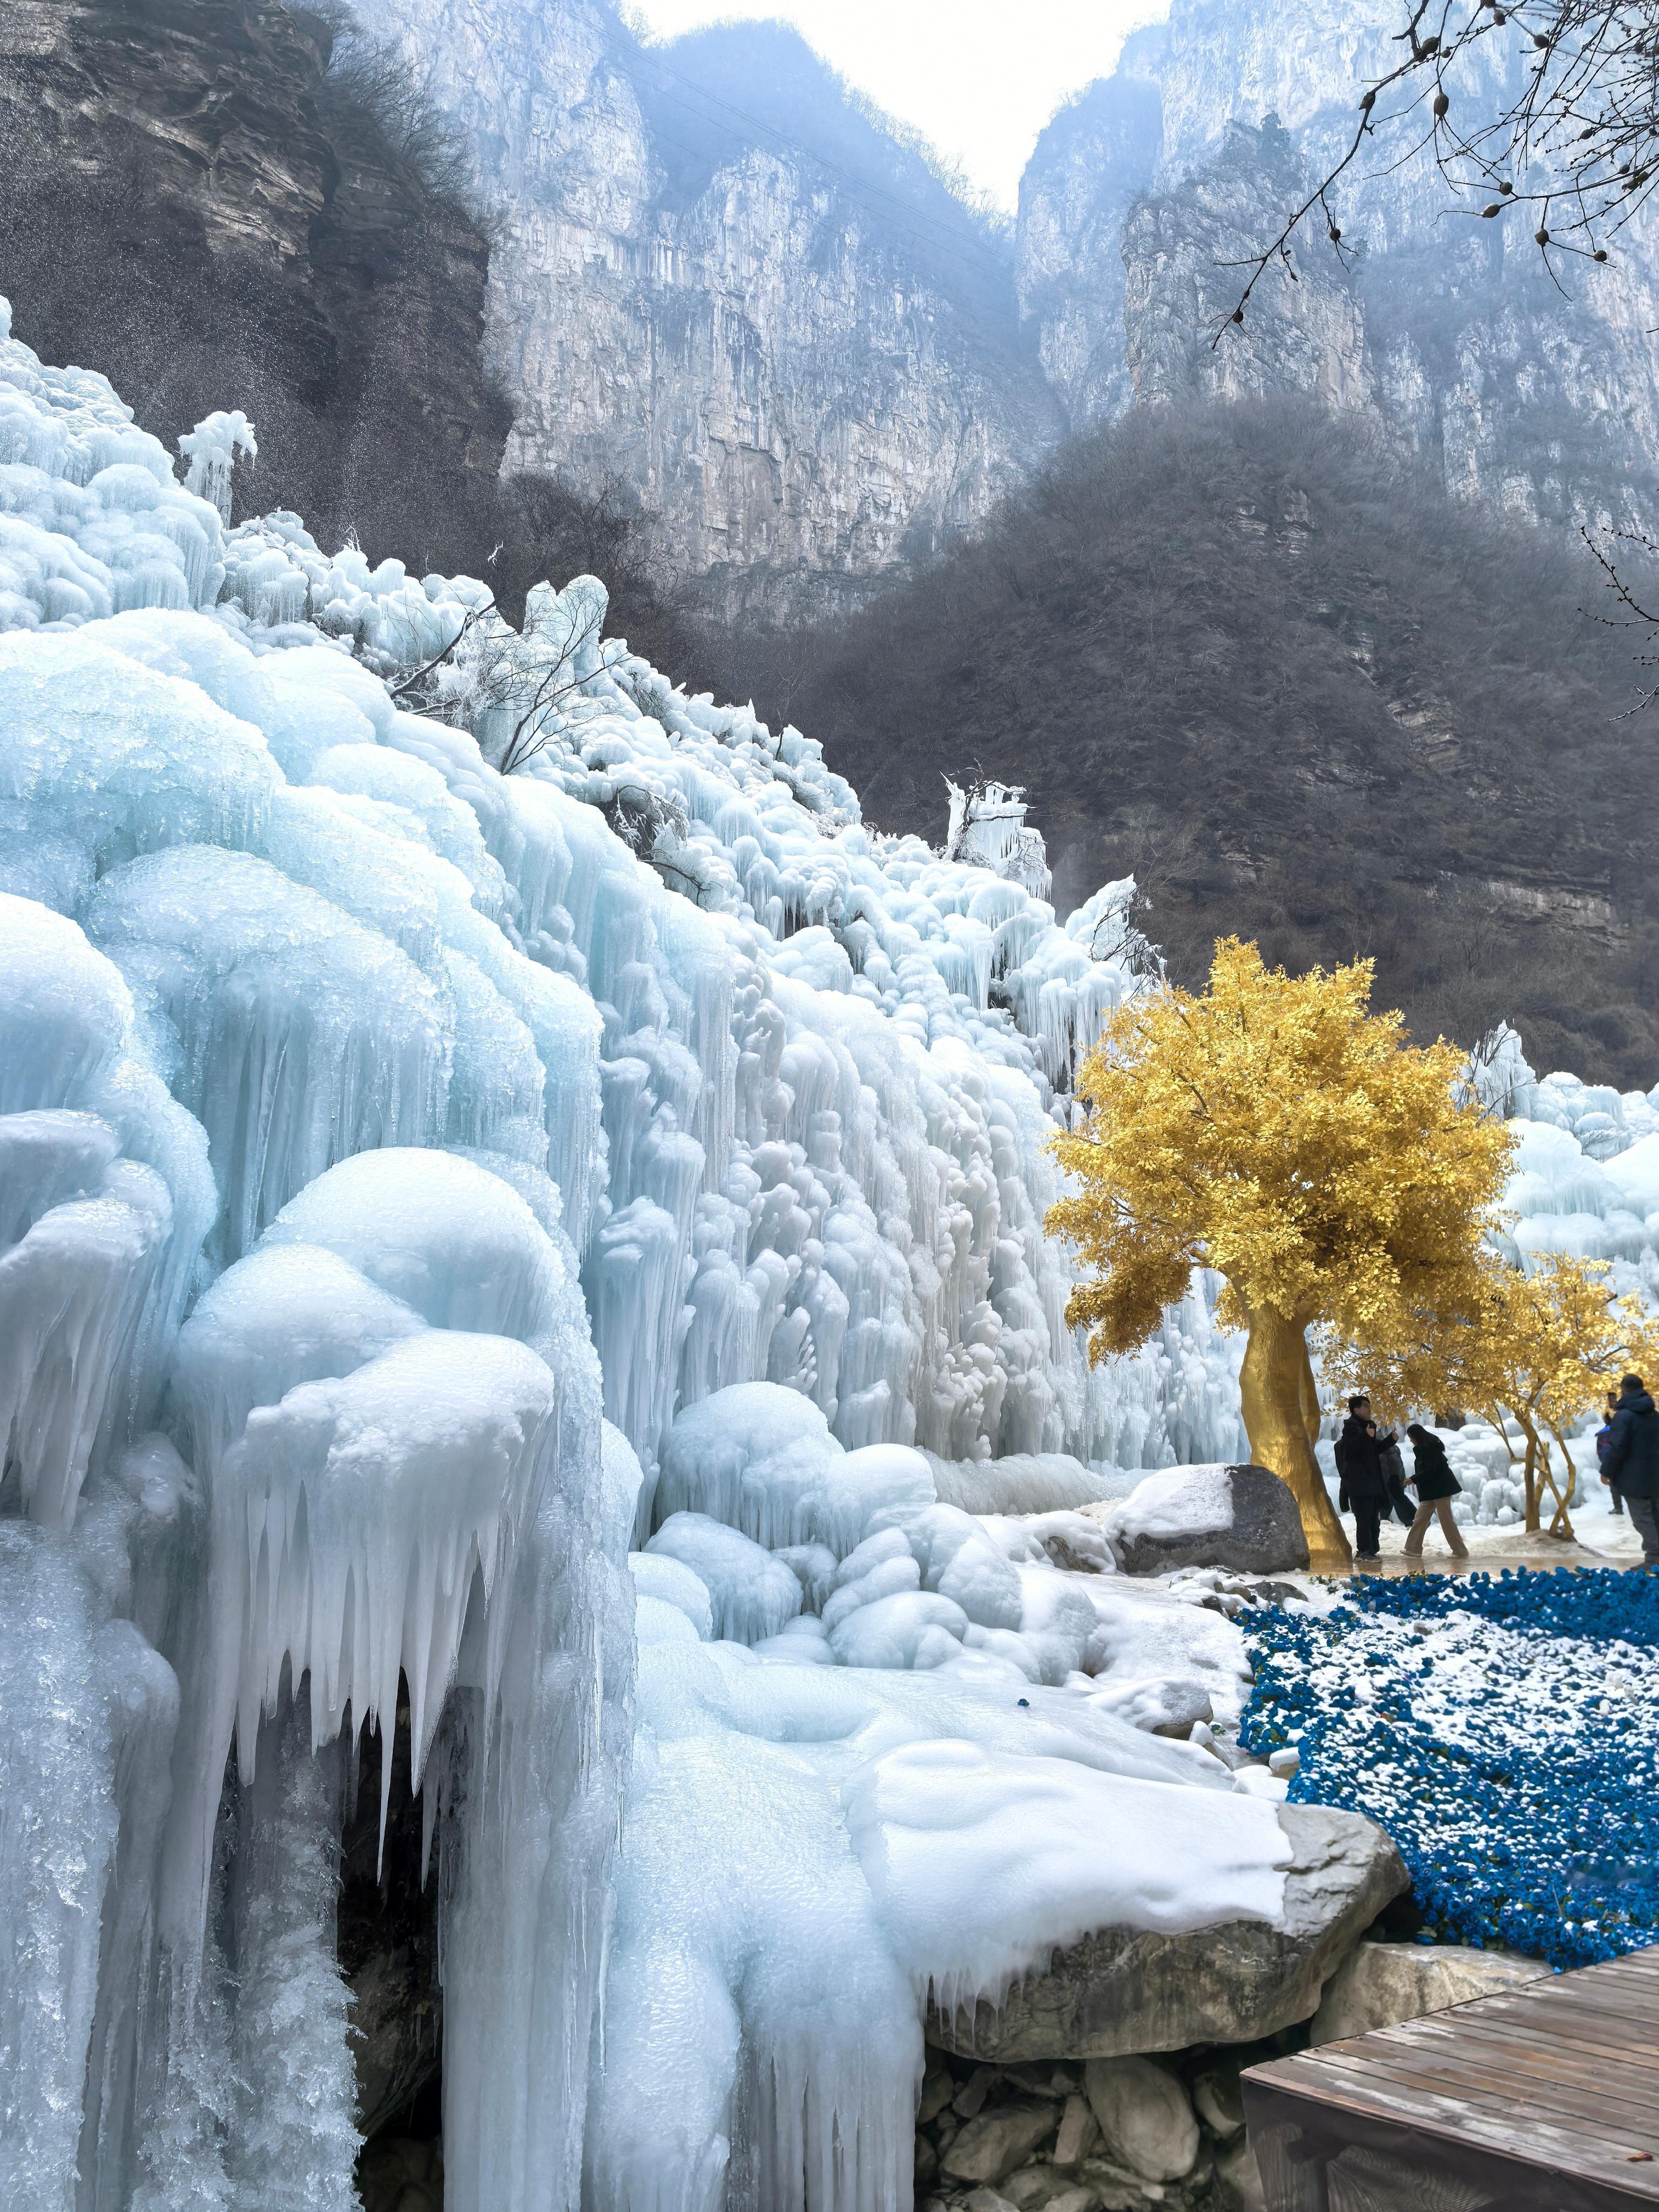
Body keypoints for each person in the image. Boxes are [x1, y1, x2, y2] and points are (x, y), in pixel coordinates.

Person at [1603, 1373, 1659, 1567]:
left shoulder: (1624, 1416)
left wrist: (1606, 1471)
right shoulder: (1655, 1415)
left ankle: (1654, 1559)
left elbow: (1617, 1447)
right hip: (1655, 1476)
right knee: (1655, 1516)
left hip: (1634, 1479)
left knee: (1642, 1519)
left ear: (1623, 1391)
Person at [1402, 1424, 1470, 1560]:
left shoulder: (1429, 1449)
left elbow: (1430, 1471)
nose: (1410, 1440)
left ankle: (1460, 1551)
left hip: (1441, 1489)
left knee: (1446, 1520)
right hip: (1432, 1491)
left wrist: (1413, 1479)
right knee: (1420, 1519)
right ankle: (1413, 1549)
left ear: (1417, 1436)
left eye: (1411, 1437)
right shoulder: (1426, 1448)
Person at [1335, 1394, 1388, 1561]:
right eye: (1366, 1406)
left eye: (1369, 1406)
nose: (1369, 1409)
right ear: (1356, 1410)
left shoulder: (1368, 1427)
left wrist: (1390, 1441)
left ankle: (1372, 1550)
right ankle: (1364, 1551)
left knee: (1374, 1517)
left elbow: (1374, 1450)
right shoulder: (1351, 1427)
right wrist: (1366, 1436)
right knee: (1364, 1518)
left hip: (1372, 1481)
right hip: (1359, 1483)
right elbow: (1351, 1451)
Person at [1596, 1391, 1626, 1517]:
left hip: (1612, 1453)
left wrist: (1605, 1464)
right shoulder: (1622, 1410)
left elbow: (1604, 1450)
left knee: (1614, 1483)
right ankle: (1619, 1507)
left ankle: (1618, 1507)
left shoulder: (1611, 1413)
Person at [1378, 1428, 1415, 1526]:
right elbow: (1399, 1464)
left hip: (1390, 1481)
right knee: (1396, 1501)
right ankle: (1410, 1520)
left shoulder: (1385, 1448)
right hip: (1395, 1480)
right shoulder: (1394, 1447)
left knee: (1394, 1502)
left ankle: (1409, 1520)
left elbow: (1387, 1466)